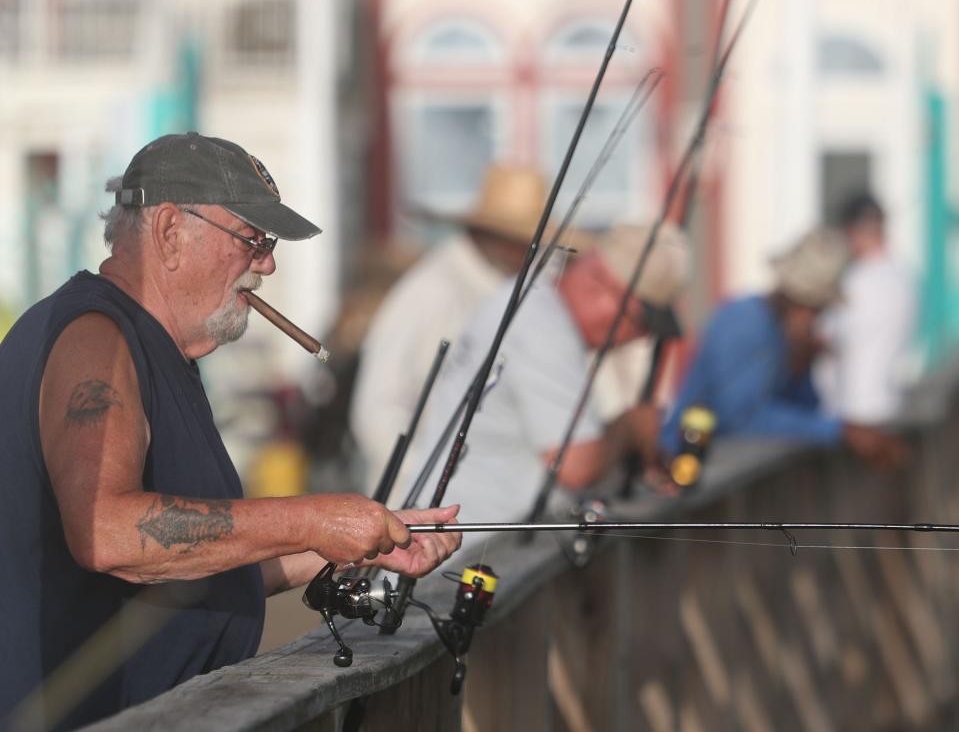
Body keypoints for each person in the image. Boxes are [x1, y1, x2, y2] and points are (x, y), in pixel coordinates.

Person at [0, 132, 461, 731]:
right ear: (170, 232)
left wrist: (357, 541)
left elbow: (193, 564)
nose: (267, 263)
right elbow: (105, 532)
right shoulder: (97, 338)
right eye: (252, 239)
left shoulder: (160, 352)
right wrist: (309, 518)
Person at [411, 222, 690, 529]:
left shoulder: (533, 300)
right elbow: (575, 465)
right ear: (598, 283)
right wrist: (631, 427)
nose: (641, 337)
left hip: (472, 544)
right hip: (468, 553)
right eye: (641, 320)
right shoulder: (542, 328)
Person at [349, 163, 546, 496]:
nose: (528, 252)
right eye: (522, 241)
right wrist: (431, 481)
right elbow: (377, 408)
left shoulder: (503, 291)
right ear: (492, 235)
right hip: (420, 514)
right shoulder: (431, 291)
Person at [658, 227, 906, 470]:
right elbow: (741, 418)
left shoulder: (781, 337)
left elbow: (802, 410)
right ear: (804, 305)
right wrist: (838, 430)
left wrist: (801, 367)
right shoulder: (744, 323)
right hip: (683, 466)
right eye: (819, 310)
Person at [815, 193, 917, 423]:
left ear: (853, 232)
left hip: (853, 414)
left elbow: (826, 338)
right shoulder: (903, 275)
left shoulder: (857, 281)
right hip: (889, 404)